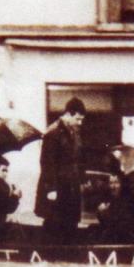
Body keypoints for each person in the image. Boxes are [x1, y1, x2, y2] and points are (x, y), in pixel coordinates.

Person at [35, 97, 86, 243]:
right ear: (68, 114)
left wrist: (81, 180)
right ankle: (50, 253)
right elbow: (47, 162)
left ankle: (68, 252)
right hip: (58, 186)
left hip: (71, 185)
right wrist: (51, 188)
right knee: (54, 221)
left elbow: (78, 158)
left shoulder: (74, 132)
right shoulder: (53, 133)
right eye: (78, 119)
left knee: (70, 221)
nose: (80, 123)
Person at [96, 173, 134, 244]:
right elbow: (106, 224)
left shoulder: (130, 201)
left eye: (116, 182)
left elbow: (124, 225)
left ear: (122, 184)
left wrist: (108, 214)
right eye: (111, 183)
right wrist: (101, 213)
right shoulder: (110, 200)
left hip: (131, 241)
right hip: (117, 240)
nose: (113, 186)